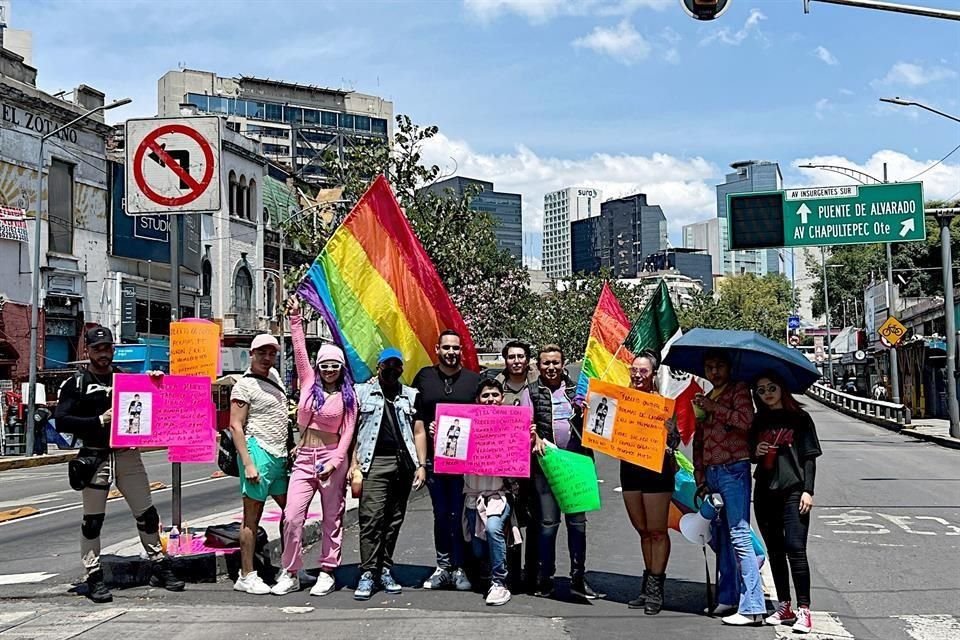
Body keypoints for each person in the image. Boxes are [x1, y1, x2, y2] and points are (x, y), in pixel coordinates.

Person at [54, 325, 184, 603]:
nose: (103, 353)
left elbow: (154, 405)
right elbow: (62, 419)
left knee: (147, 514)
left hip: (127, 454)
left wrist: (155, 382)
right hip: (94, 456)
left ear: (113, 349)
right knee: (92, 521)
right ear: (87, 351)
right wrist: (98, 421)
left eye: (108, 348)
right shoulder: (75, 384)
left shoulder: (126, 379)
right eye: (97, 348)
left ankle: (160, 565)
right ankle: (94, 575)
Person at [272, 298, 358, 596]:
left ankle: (327, 569)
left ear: (342, 367)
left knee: (332, 517)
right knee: (292, 516)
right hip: (304, 457)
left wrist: (336, 463)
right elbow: (298, 349)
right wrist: (295, 318)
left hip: (331, 459)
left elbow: (348, 433)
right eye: (324, 365)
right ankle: (291, 570)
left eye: (335, 365)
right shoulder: (308, 382)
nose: (329, 369)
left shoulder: (349, 397)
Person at [692, 350, 765, 625]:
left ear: (729, 368)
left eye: (719, 366)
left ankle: (753, 607)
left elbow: (746, 422)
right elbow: (699, 440)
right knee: (721, 535)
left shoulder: (739, 391)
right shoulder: (706, 396)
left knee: (739, 534)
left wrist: (713, 409)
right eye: (709, 367)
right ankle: (728, 597)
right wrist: (700, 475)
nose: (714, 372)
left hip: (734, 469)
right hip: (712, 473)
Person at [350, 348, 428, 600]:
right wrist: (354, 465)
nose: (391, 370)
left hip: (403, 464)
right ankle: (367, 572)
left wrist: (421, 465)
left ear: (401, 370)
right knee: (371, 519)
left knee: (394, 520)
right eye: (387, 365)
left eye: (396, 366)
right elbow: (352, 432)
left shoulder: (411, 396)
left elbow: (418, 431)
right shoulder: (361, 393)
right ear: (378, 367)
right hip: (374, 463)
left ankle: (384, 568)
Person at [752, 371, 822, 635]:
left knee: (795, 548)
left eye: (771, 387)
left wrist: (808, 491)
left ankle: (804, 609)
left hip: (794, 490)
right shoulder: (758, 420)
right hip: (765, 491)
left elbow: (810, 458)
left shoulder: (800, 419)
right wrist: (755, 451)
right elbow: (750, 453)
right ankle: (785, 606)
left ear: (782, 388)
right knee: (775, 551)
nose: (767, 393)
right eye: (761, 390)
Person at [529, 344, 599, 600]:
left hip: (576, 465)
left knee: (577, 525)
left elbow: (597, 421)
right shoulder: (532, 392)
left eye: (555, 362)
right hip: (546, 467)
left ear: (564, 363)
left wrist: (586, 411)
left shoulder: (577, 391)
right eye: (546, 363)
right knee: (548, 524)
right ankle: (545, 578)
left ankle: (578, 578)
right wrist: (533, 436)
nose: (551, 367)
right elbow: (525, 423)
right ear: (538, 366)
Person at [413, 330, 480, 591]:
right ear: (437, 349)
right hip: (435, 461)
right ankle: (443, 566)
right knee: (441, 514)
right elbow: (417, 420)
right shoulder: (424, 378)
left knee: (462, 515)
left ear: (461, 351)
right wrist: (422, 458)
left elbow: (485, 420)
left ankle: (461, 567)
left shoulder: (474, 381)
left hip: (466, 463)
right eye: (446, 348)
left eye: (455, 348)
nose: (451, 352)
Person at [229, 333, 291, 595]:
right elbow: (235, 425)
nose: (267, 358)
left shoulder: (275, 377)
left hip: (279, 455)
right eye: (262, 353)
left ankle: (289, 566)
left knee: (291, 513)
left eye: (271, 353)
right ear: (252, 354)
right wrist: (248, 462)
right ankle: (247, 574)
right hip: (258, 451)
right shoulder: (243, 386)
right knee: (251, 517)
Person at [622, 354, 680, 615]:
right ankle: (647, 583)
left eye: (643, 371)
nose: (637, 375)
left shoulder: (663, 404)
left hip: (657, 471)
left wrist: (671, 431)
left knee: (657, 531)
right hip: (630, 470)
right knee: (642, 529)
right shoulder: (621, 400)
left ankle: (656, 587)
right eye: (634, 370)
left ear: (653, 374)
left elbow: (675, 442)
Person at [462, 378, 524, 606]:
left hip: (499, 495)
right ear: (478, 399)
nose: (490, 400)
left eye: (495, 395)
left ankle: (500, 582)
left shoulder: (513, 424)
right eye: (485, 395)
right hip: (472, 495)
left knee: (493, 527)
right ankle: (487, 573)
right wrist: (437, 432)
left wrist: (529, 435)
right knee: (478, 547)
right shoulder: (465, 424)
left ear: (502, 398)